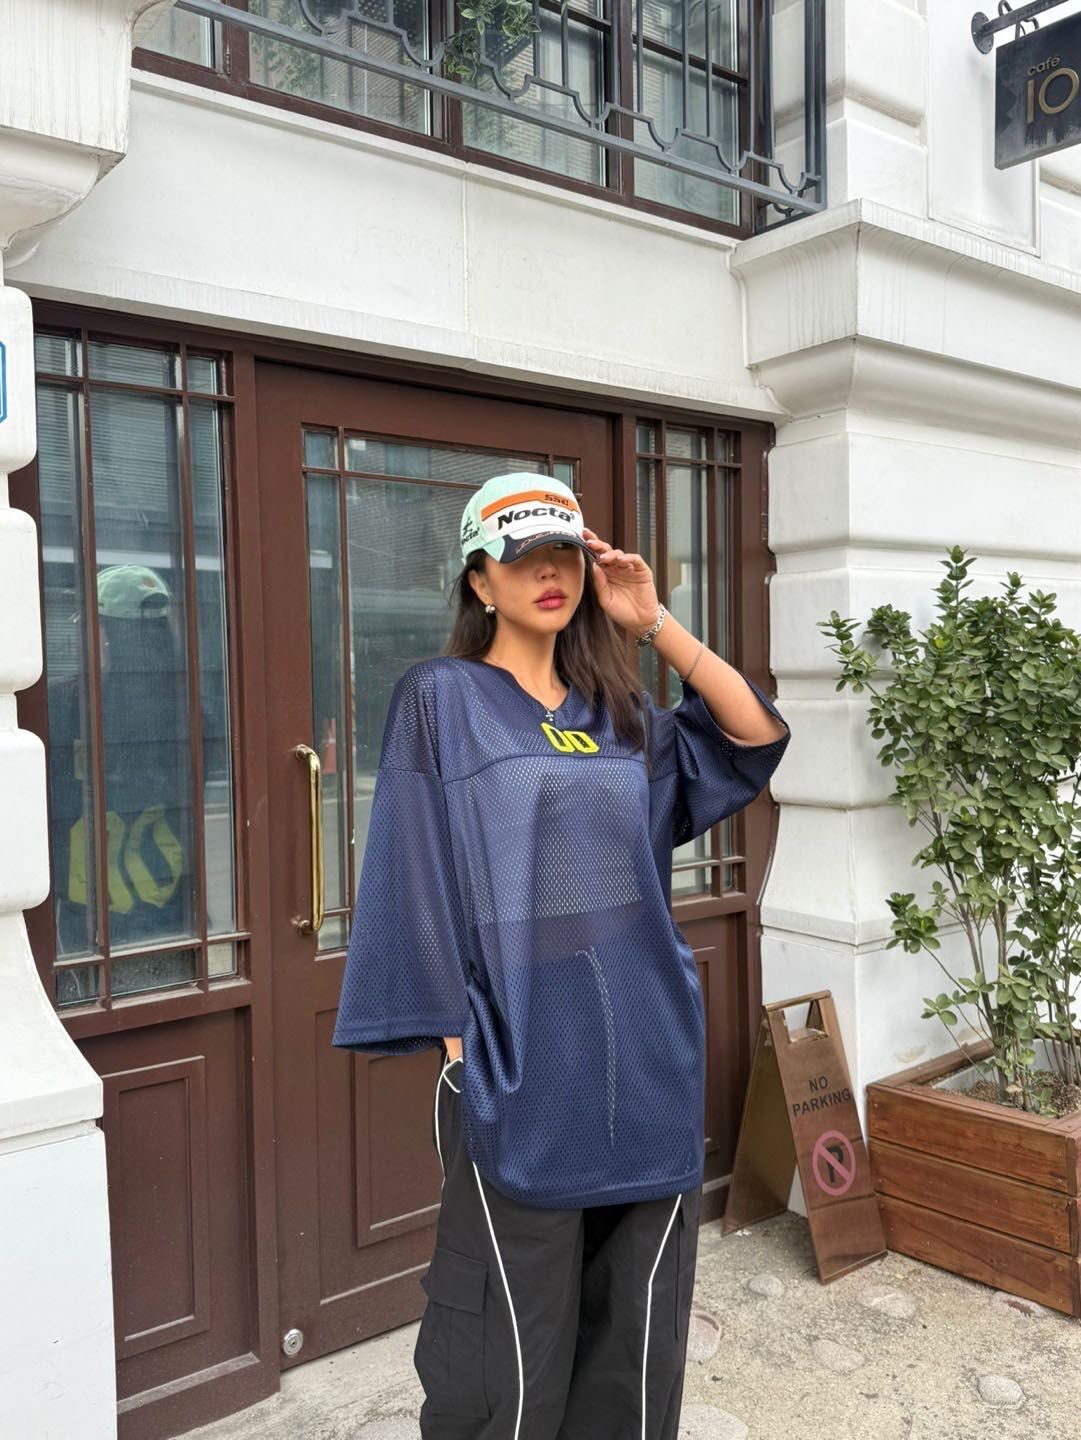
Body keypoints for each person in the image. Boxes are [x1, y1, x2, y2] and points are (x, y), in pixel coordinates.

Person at [332, 473, 791, 1439]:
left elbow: (752, 734)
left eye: (566, 557)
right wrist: (455, 1040)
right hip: (520, 1052)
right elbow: (413, 865)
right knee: (507, 1338)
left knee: (637, 1326)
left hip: (646, 1049)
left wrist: (652, 622)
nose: (551, 574)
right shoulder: (442, 698)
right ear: (479, 581)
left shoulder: (615, 710)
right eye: (524, 558)